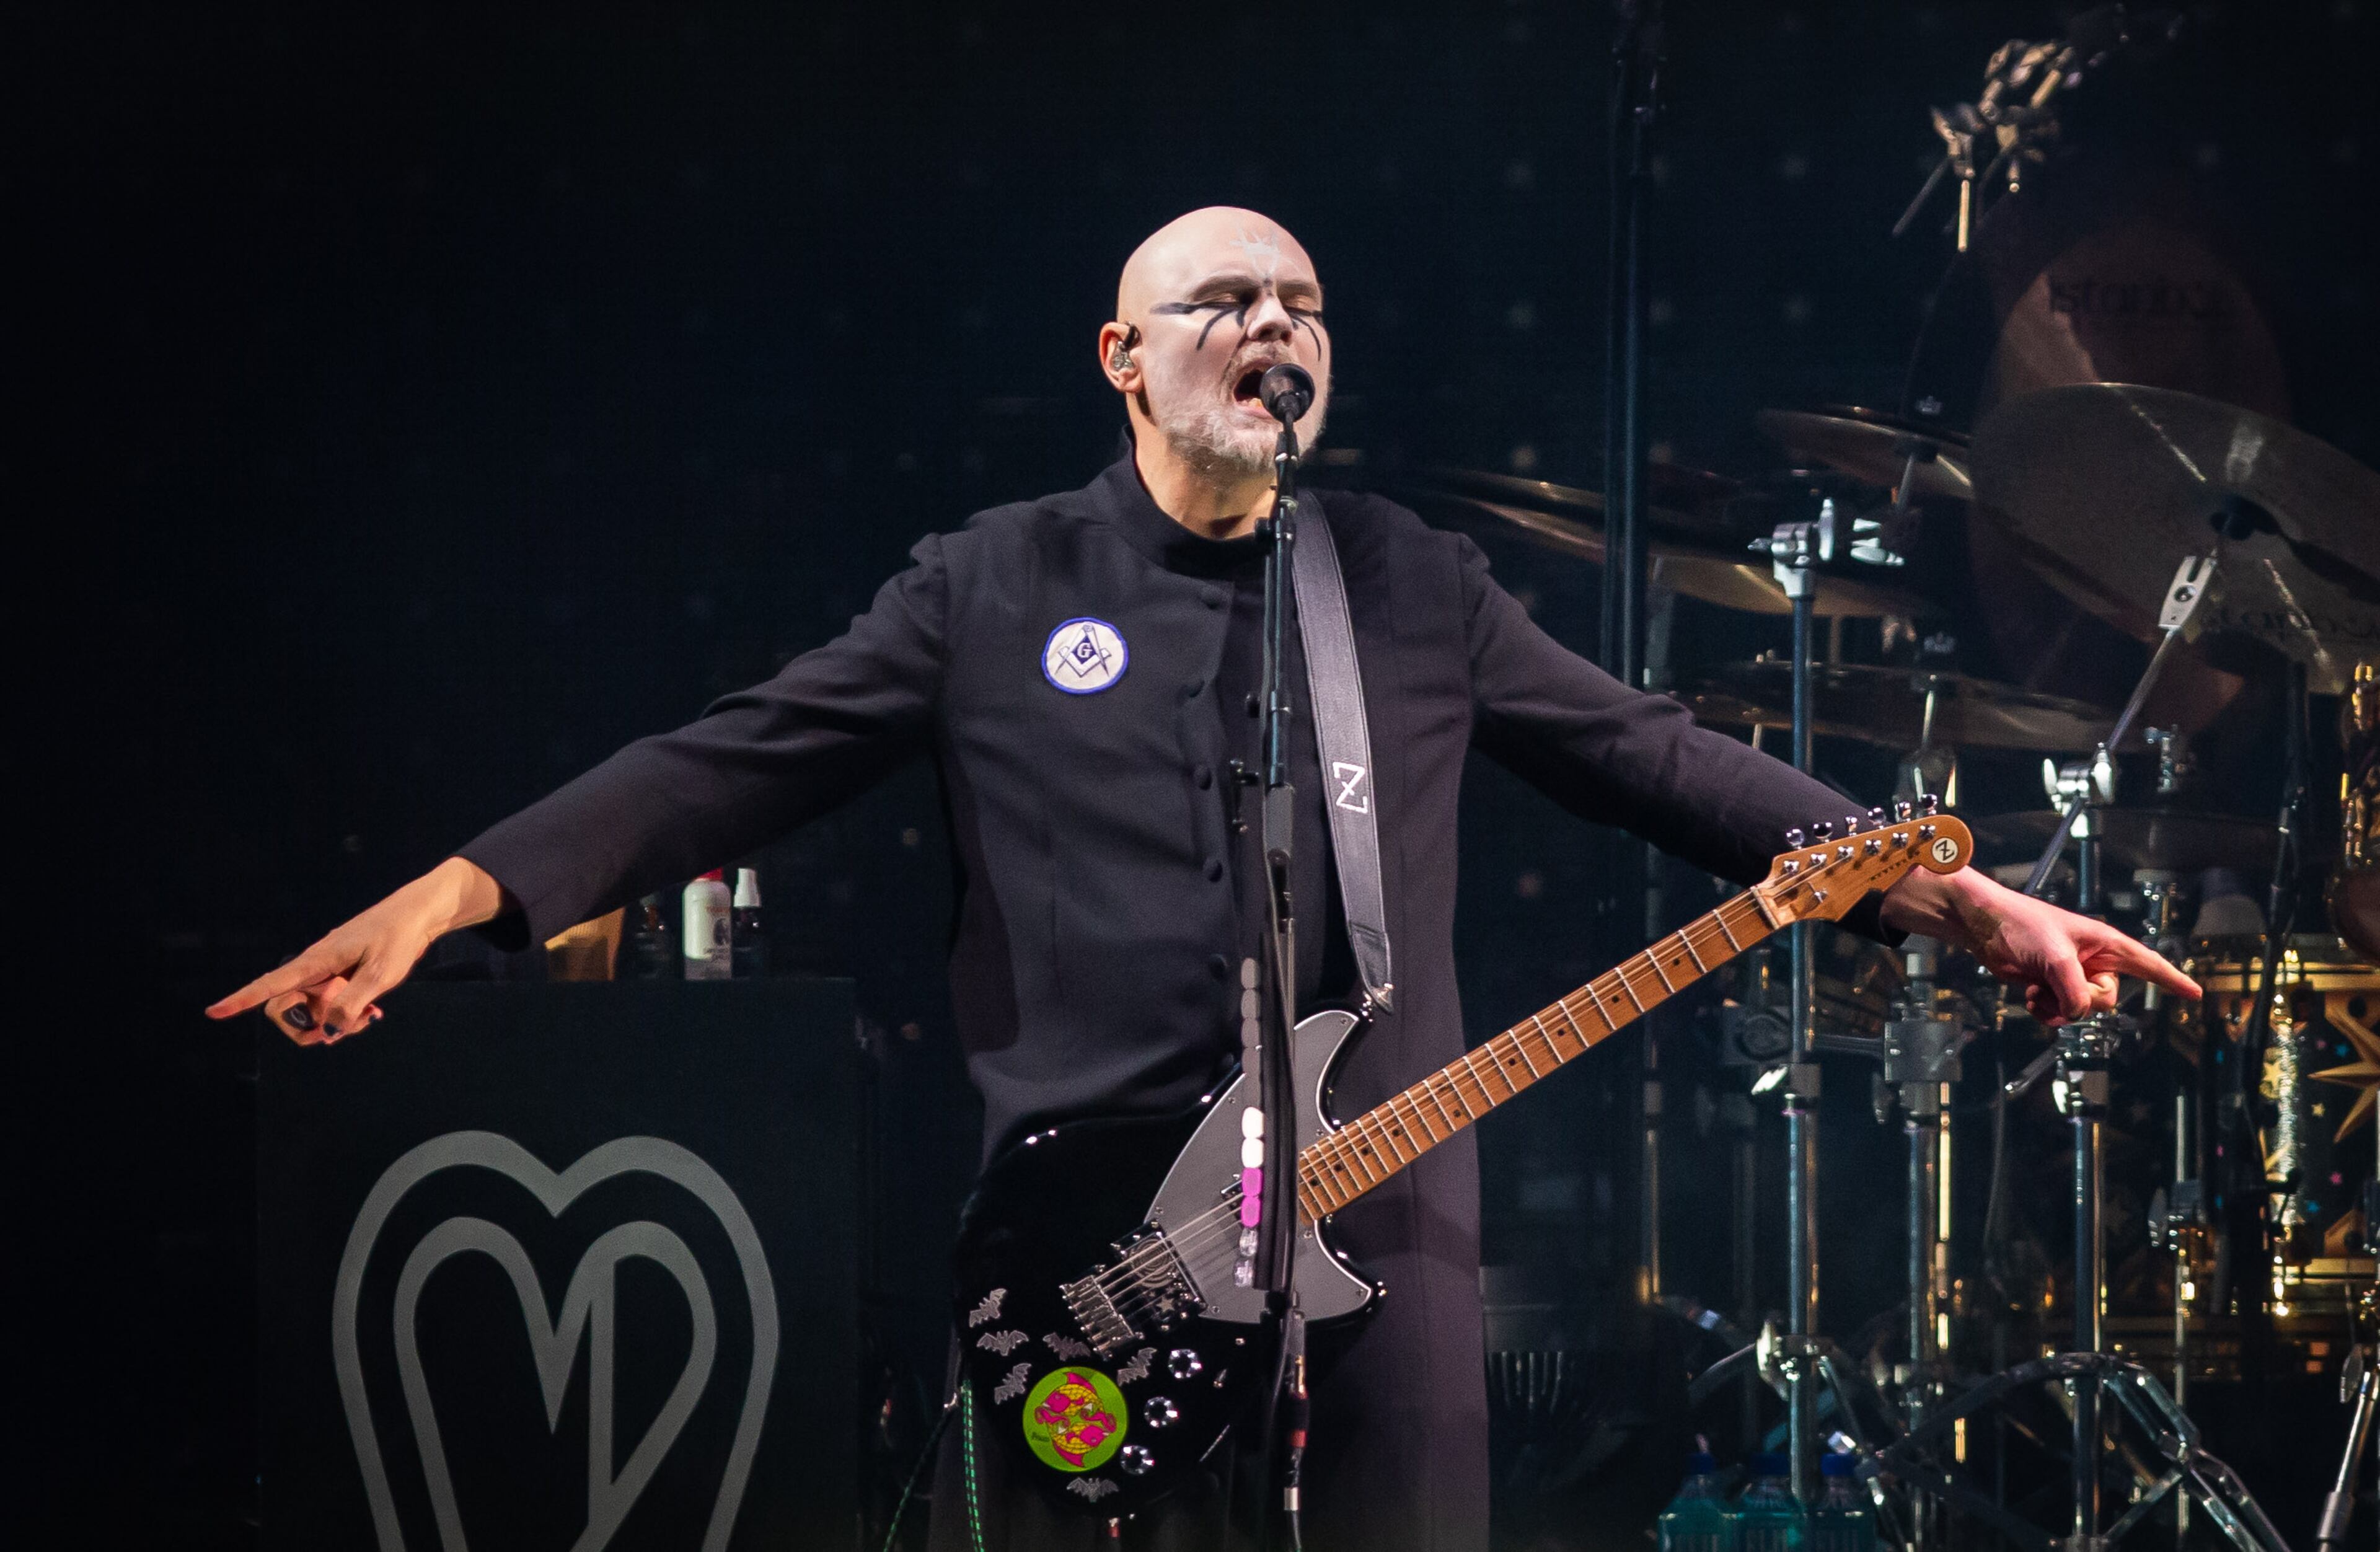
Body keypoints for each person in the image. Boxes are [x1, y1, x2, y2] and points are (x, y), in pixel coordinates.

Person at [210, 206, 2198, 1550]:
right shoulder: (992, 586)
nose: (1274, 327)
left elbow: (1656, 759)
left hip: (1378, 1247)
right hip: (1089, 1274)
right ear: (1122, 357)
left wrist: (1956, 896)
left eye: (1302, 304)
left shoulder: (1402, 583)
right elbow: (729, 764)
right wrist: (461, 894)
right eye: (1225, 300)